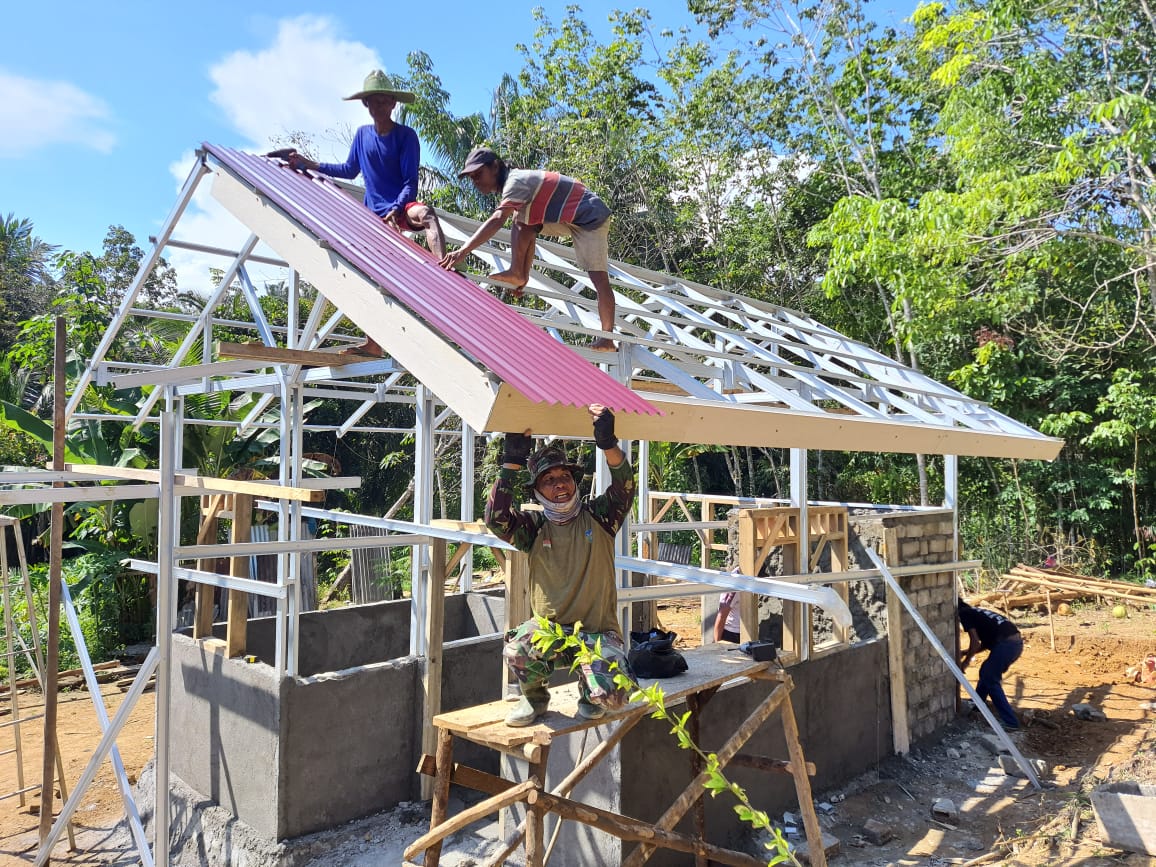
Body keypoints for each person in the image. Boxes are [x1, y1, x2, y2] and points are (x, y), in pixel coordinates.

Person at [486, 404, 634, 726]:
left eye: (564, 476)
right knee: (518, 649)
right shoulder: (534, 528)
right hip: (551, 632)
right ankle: (535, 699)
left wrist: (608, 444)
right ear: (538, 491)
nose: (559, 483)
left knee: (615, 697)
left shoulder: (600, 517)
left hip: (596, 634)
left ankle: (589, 691)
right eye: (549, 480)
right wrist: (510, 463)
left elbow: (625, 487)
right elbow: (496, 520)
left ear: (574, 481)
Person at [283, 70, 447, 355]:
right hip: (374, 216)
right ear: (366, 105)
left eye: (385, 101)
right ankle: (374, 343)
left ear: (393, 104)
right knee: (368, 275)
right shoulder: (362, 136)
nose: (380, 106)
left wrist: (397, 208)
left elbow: (410, 182)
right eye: (374, 101)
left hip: (401, 205)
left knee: (428, 214)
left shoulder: (405, 136)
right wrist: (308, 164)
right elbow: (349, 170)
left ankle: (444, 272)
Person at [439, 146, 618, 351]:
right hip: (570, 216)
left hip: (590, 217)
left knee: (599, 279)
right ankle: (520, 275)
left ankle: (608, 337)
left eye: (479, 174)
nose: (476, 181)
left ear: (495, 167)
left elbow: (497, 220)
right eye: (472, 178)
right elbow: (528, 226)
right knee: (523, 218)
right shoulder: (517, 184)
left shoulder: (515, 181)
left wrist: (462, 251)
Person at [958, 599, 1024, 731]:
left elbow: (975, 642)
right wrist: (965, 652)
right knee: (986, 672)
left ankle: (1011, 722)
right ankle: (976, 706)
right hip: (1015, 643)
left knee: (989, 677)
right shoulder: (977, 613)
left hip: (1007, 645)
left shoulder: (964, 614)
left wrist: (965, 663)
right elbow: (984, 644)